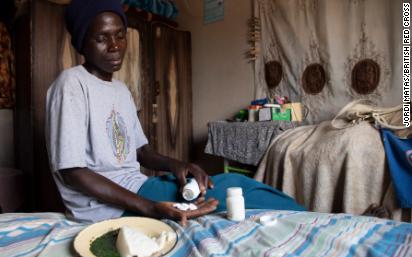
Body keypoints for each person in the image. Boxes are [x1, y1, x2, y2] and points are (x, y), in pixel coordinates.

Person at [45, 0, 305, 225]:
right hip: (105, 207)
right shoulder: (71, 84)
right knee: (231, 189)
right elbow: (73, 172)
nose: (114, 46)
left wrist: (178, 164)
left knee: (217, 186)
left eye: (120, 35)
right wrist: (148, 207)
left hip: (137, 188)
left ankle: (308, 218)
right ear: (82, 43)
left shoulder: (120, 90)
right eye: (101, 38)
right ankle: (313, 219)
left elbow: (142, 152)